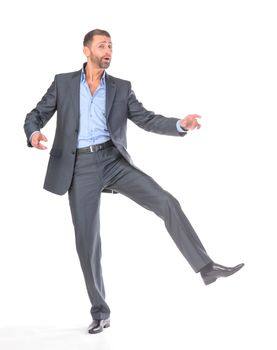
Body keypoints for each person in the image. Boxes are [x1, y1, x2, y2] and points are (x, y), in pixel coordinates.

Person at [24, 29, 244, 334]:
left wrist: (179, 124)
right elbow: (35, 115)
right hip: (79, 167)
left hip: (113, 161)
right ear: (86, 51)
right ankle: (100, 311)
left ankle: (206, 267)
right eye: (102, 45)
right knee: (88, 242)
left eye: (111, 46)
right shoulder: (63, 83)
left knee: (166, 201)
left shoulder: (120, 87)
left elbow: (146, 118)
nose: (108, 50)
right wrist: (34, 134)